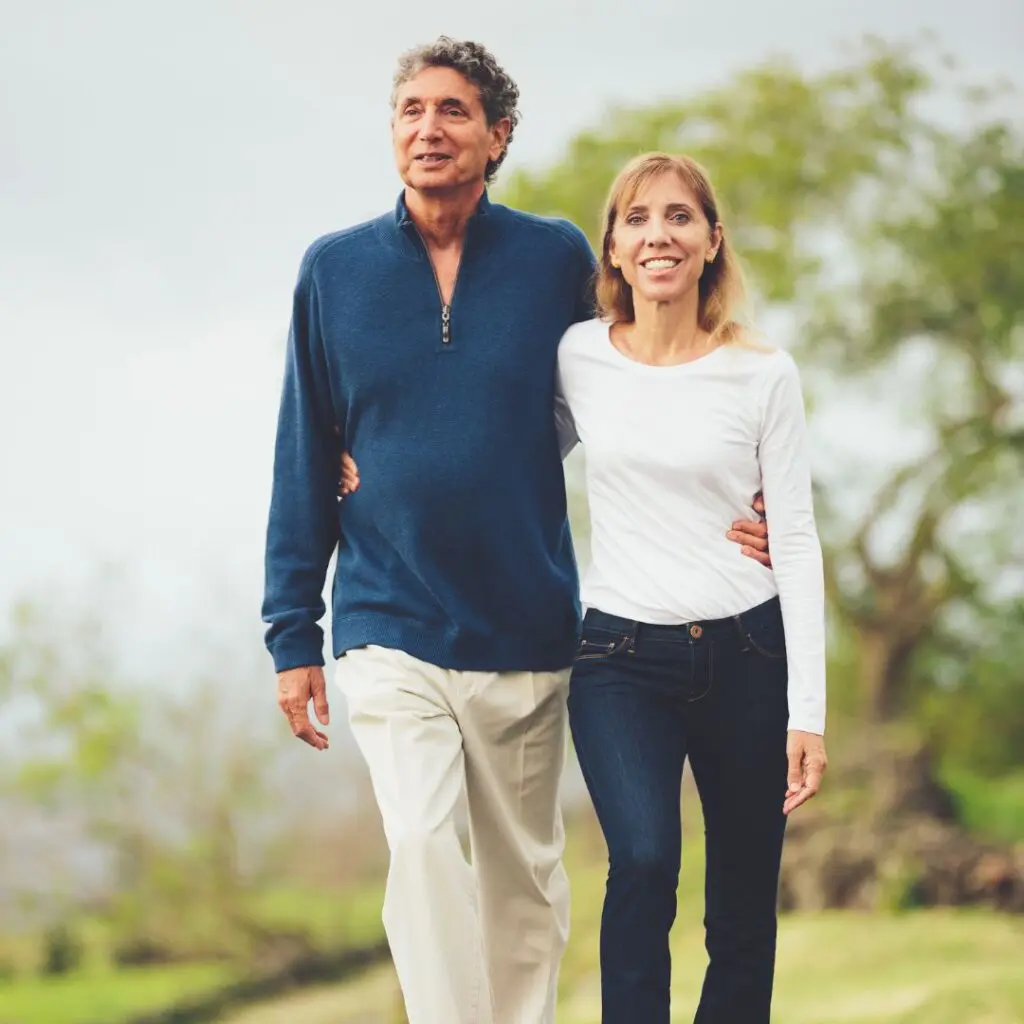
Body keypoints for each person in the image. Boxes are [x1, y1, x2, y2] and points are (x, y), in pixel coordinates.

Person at [263, 38, 770, 1024]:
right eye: (410, 110)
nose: (427, 129)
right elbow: (301, 450)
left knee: (525, 883)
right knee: (419, 838)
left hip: (528, 629)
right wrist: (293, 632)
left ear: (496, 137)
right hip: (386, 618)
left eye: (452, 111)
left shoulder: (552, 260)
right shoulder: (333, 271)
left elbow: (635, 378)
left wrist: (735, 496)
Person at [555, 152, 828, 1023]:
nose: (657, 235)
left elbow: (795, 538)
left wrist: (808, 712)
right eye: (636, 219)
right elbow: (497, 449)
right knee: (641, 861)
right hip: (619, 658)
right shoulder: (578, 359)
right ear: (613, 248)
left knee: (743, 906)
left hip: (749, 650)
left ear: (712, 241)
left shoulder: (762, 374)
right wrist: (358, 456)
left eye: (678, 217)